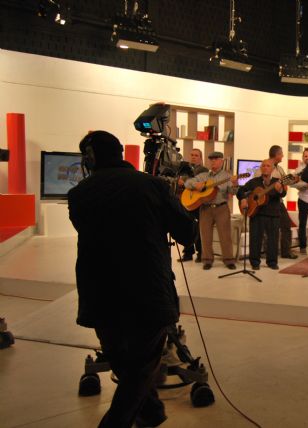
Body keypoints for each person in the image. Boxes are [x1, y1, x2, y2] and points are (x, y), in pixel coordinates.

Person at [68, 130, 195, 428]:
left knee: (126, 365)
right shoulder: (151, 186)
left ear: (90, 158)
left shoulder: (79, 194)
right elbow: (187, 233)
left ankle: (151, 413)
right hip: (147, 293)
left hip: (100, 295)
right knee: (140, 370)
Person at [185, 151, 238, 270]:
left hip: (221, 208)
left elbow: (232, 192)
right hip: (205, 208)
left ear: (221, 161)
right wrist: (196, 185)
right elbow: (188, 183)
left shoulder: (227, 176)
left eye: (216, 159)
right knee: (205, 236)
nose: (213, 161)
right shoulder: (203, 176)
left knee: (225, 236)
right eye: (211, 159)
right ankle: (207, 260)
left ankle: (229, 260)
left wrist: (235, 184)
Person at [238, 159, 287, 270]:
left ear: (273, 169)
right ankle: (255, 262)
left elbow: (283, 194)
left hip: (273, 214)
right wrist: (243, 199)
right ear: (260, 168)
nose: (265, 167)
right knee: (255, 239)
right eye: (263, 166)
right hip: (256, 213)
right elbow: (241, 190)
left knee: (273, 239)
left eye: (268, 166)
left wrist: (279, 190)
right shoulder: (254, 182)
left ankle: (272, 262)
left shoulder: (278, 181)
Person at [255, 145, 298, 259]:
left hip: (278, 201)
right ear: (277, 155)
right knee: (267, 228)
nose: (283, 155)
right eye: (281, 153)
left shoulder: (280, 169)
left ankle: (286, 252)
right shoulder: (263, 168)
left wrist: (293, 180)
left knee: (286, 225)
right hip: (265, 203)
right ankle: (267, 252)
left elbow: (285, 182)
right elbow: (257, 185)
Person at [177, 148, 208, 263]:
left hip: (197, 202)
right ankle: (188, 253)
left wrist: (185, 182)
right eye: (192, 155)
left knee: (199, 229)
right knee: (186, 226)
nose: (193, 157)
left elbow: (198, 184)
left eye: (196, 155)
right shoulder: (185, 169)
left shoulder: (204, 170)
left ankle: (201, 253)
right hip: (185, 201)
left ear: (201, 158)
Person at [291, 148, 308, 254]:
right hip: (303, 199)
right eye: (306, 156)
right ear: (302, 158)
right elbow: (292, 184)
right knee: (302, 223)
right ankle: (302, 247)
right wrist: (305, 184)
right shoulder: (298, 170)